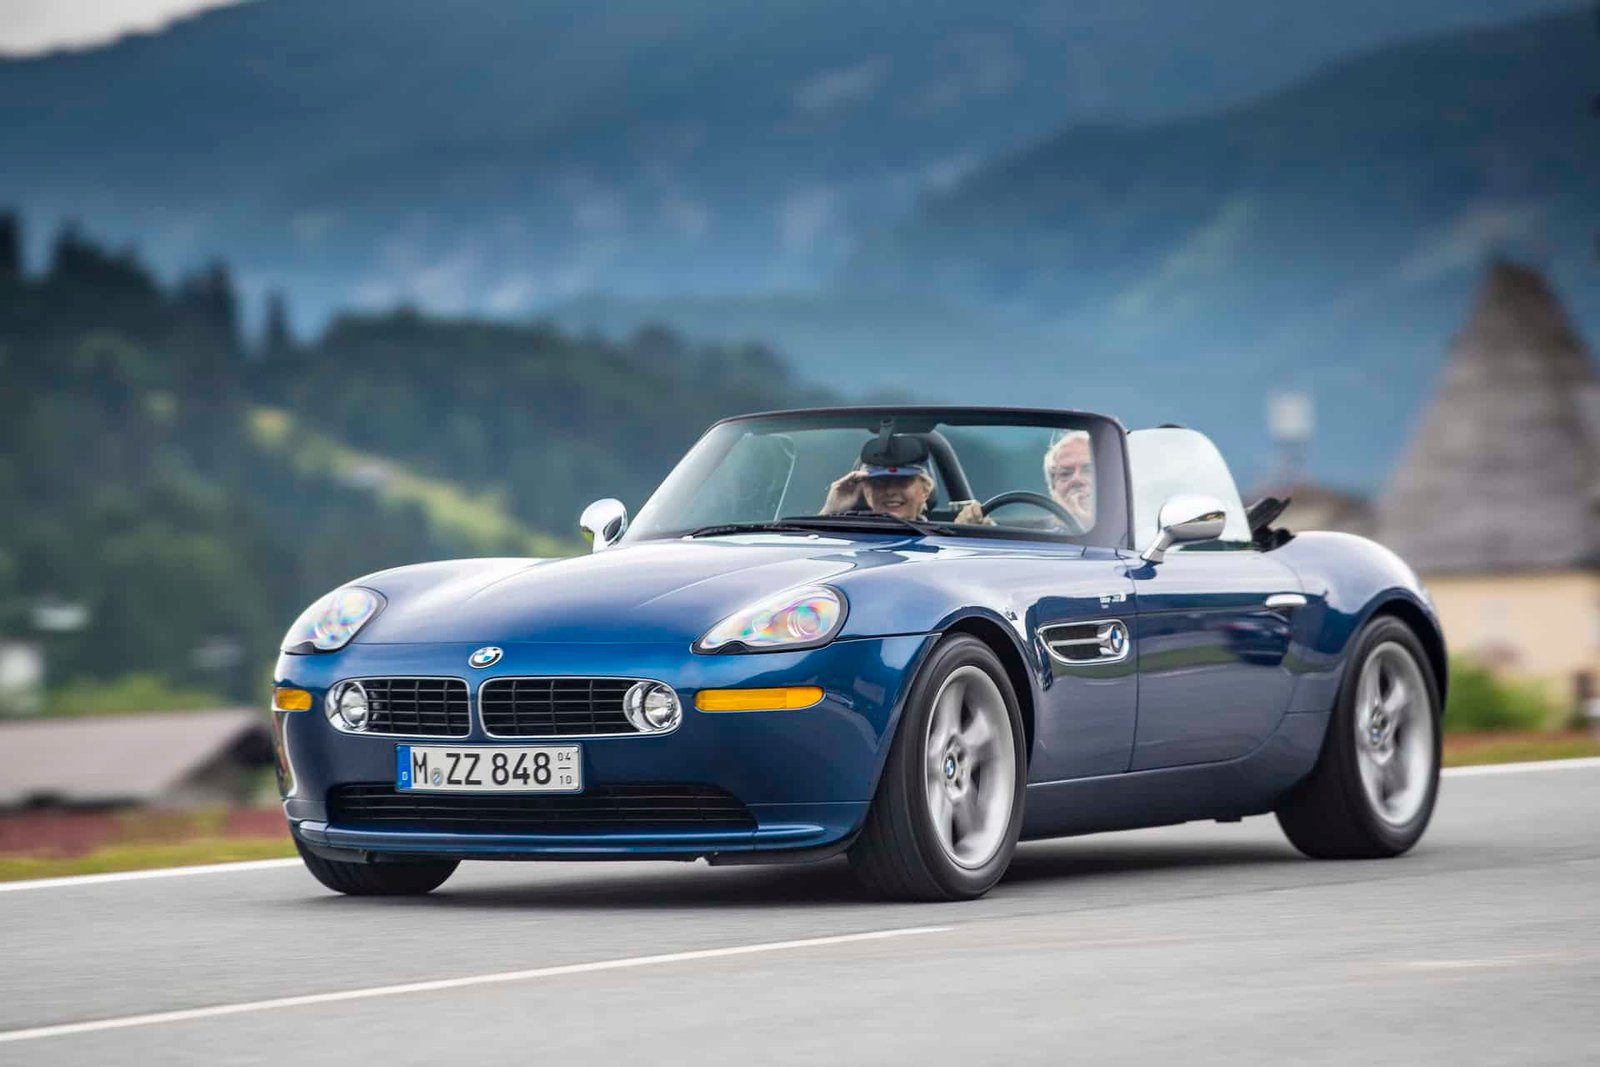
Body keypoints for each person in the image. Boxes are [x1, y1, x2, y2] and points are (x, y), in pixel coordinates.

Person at [821, 454, 986, 523]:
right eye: (881, 482)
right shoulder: (845, 539)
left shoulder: (946, 540)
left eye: (902, 481)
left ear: (925, 491)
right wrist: (829, 511)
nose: (891, 491)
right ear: (867, 492)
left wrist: (980, 531)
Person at [1042, 430, 1095, 531]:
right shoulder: (1037, 541)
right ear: (1053, 489)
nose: (1076, 479)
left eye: (1088, 470)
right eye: (1065, 474)